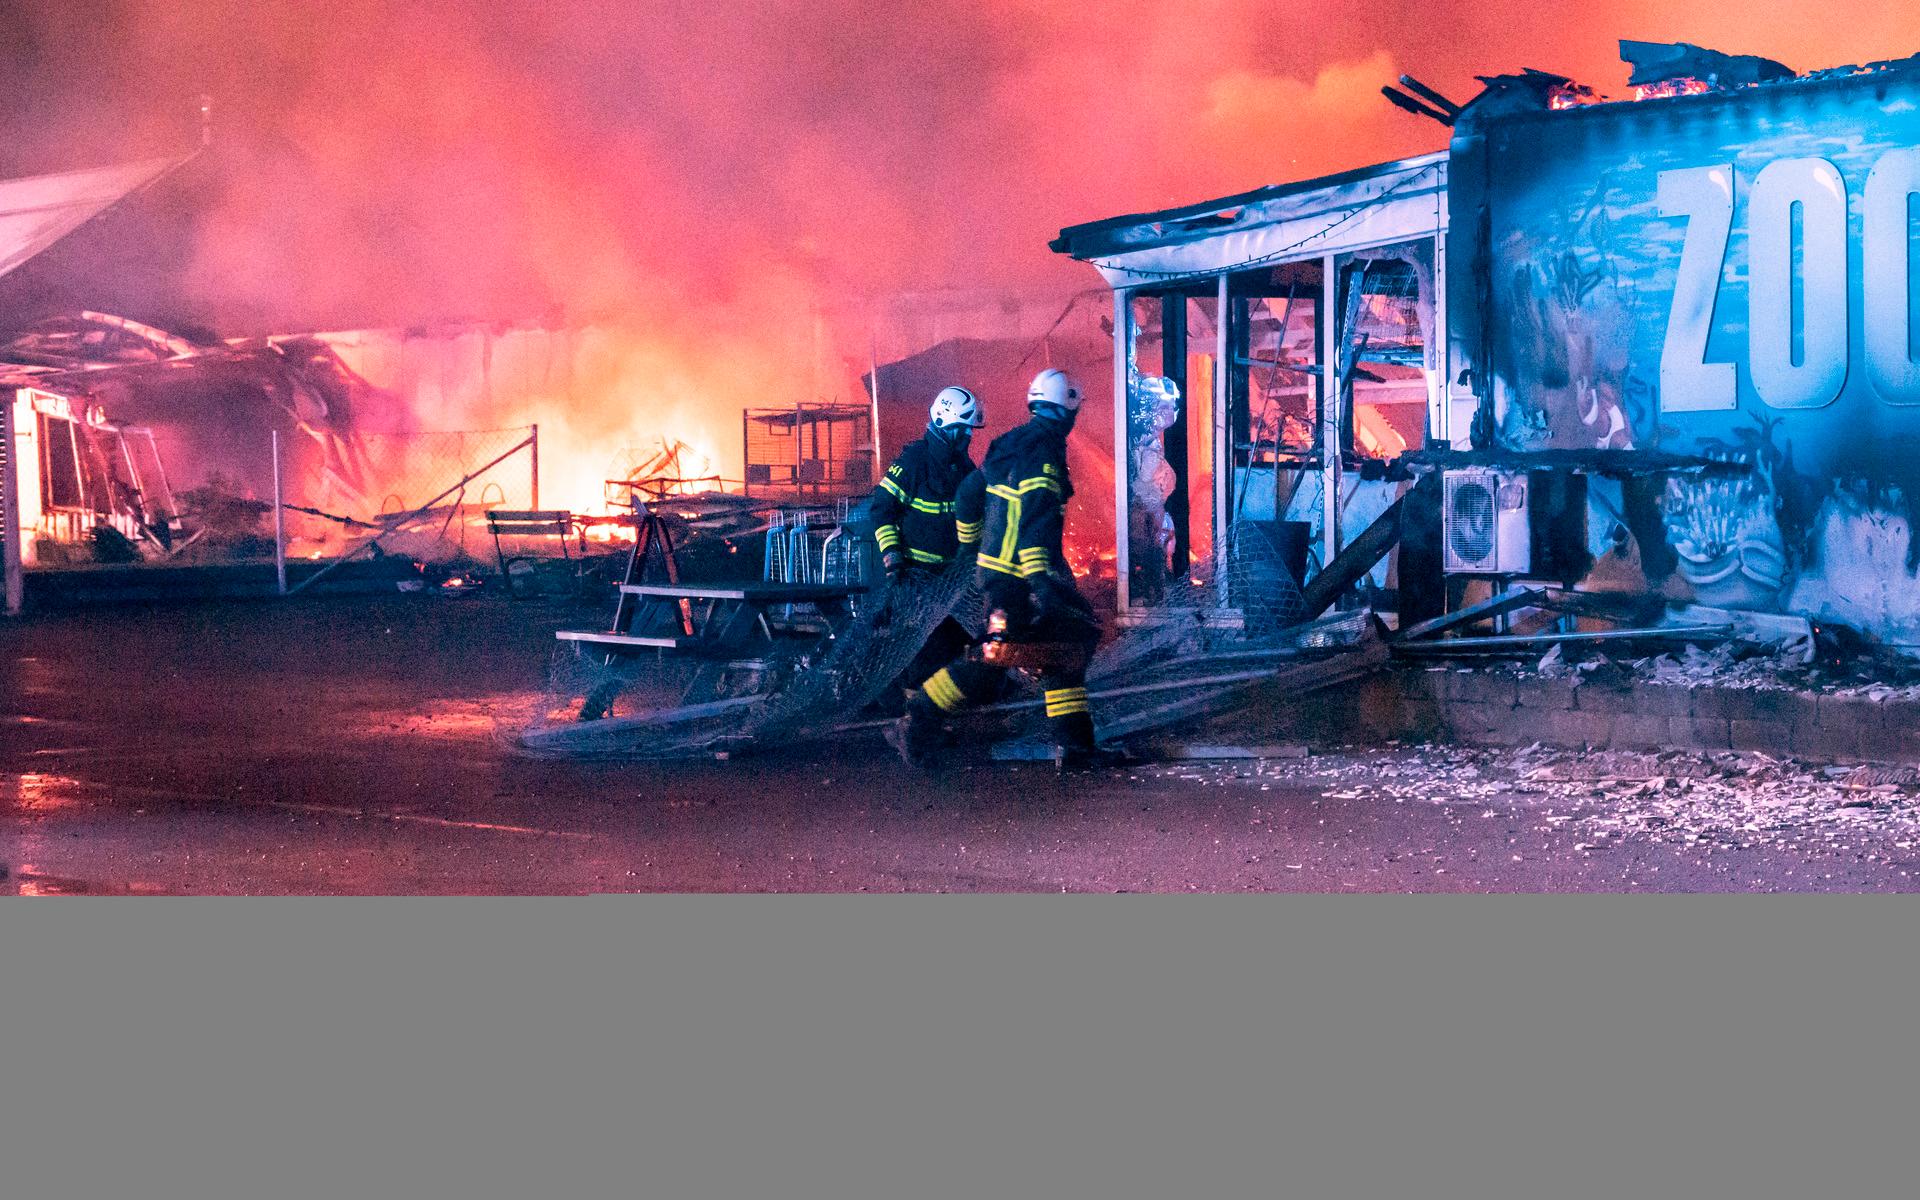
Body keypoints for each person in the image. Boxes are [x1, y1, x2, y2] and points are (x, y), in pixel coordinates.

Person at [890, 368, 1120, 772]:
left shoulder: (1008, 443)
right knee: (996, 659)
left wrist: (970, 547)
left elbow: (967, 495)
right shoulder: (1045, 453)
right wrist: (1042, 584)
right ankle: (918, 720)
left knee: (1063, 648)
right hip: (1021, 580)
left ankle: (1078, 748)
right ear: (1068, 409)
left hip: (1000, 578)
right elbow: (1035, 523)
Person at [869, 385, 986, 692]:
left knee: (958, 640)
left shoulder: (964, 468)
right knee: (924, 648)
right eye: (963, 430)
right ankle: (912, 715)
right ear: (945, 424)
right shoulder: (913, 462)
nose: (968, 437)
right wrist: (892, 557)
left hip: (952, 579)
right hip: (916, 577)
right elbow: (882, 509)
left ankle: (933, 706)